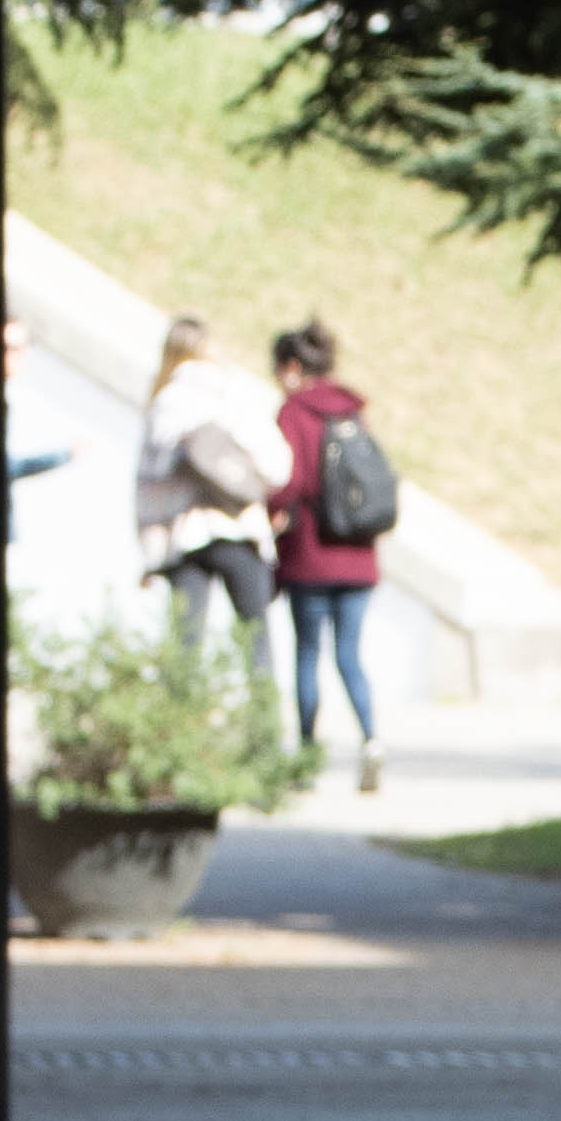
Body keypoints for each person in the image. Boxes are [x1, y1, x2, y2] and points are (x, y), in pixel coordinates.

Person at [270, 320, 389, 792]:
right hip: (359, 555)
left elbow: (293, 481)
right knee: (350, 656)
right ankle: (371, 740)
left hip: (312, 553)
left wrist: (274, 510)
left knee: (307, 652)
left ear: (293, 367)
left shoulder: (294, 413)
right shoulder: (353, 411)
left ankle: (306, 753)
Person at [134, 313, 280, 687]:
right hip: (240, 526)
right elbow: (277, 466)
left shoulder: (165, 402)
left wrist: (150, 552)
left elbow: (148, 482)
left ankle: (181, 735)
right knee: (255, 640)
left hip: (185, 535)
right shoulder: (235, 393)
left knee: (185, 645)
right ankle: (263, 737)